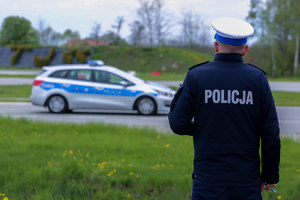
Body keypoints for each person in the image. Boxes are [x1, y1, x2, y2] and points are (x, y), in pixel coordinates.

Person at [168, 17, 281, 200]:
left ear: (216, 46)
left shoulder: (196, 76)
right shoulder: (258, 79)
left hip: (208, 180)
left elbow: (177, 123)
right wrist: (270, 176)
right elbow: (271, 134)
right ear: (245, 50)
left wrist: (206, 128)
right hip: (246, 180)